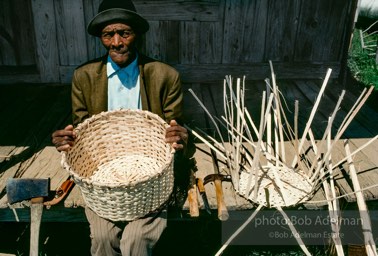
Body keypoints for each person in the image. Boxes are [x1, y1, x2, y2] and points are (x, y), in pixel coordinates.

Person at [51, 0, 194, 255]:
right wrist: (68, 141)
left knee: (136, 241)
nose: (117, 43)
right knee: (103, 239)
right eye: (108, 35)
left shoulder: (164, 75)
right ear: (101, 38)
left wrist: (180, 136)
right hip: (105, 178)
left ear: (135, 34)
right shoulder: (84, 77)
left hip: (150, 177)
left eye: (124, 33)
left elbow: (176, 129)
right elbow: (83, 129)